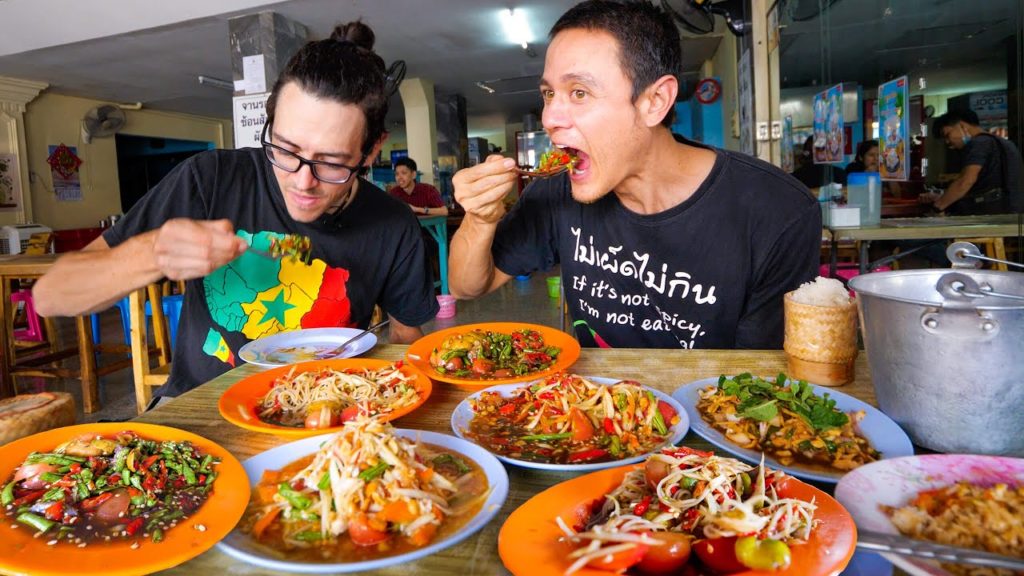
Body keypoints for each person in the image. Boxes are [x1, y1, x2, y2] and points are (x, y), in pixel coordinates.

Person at [32, 21, 439, 399]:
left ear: (371, 150)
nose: (302, 182)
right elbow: (51, 296)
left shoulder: (393, 225)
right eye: (285, 149)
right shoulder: (210, 180)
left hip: (326, 412)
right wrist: (151, 254)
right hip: (200, 409)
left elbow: (406, 341)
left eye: (331, 163)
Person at [448, 0, 820, 350]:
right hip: (594, 398)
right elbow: (467, 287)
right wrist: (480, 219)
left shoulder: (777, 211)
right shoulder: (556, 192)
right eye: (548, 94)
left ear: (655, 101)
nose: (549, 118)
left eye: (579, 92)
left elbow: (762, 381)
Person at [920, 109, 1022, 215]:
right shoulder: (1006, 144)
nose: (947, 142)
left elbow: (965, 181)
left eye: (947, 135)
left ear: (962, 125)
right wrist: (944, 195)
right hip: (1011, 211)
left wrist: (937, 207)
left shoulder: (978, 144)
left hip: (990, 214)